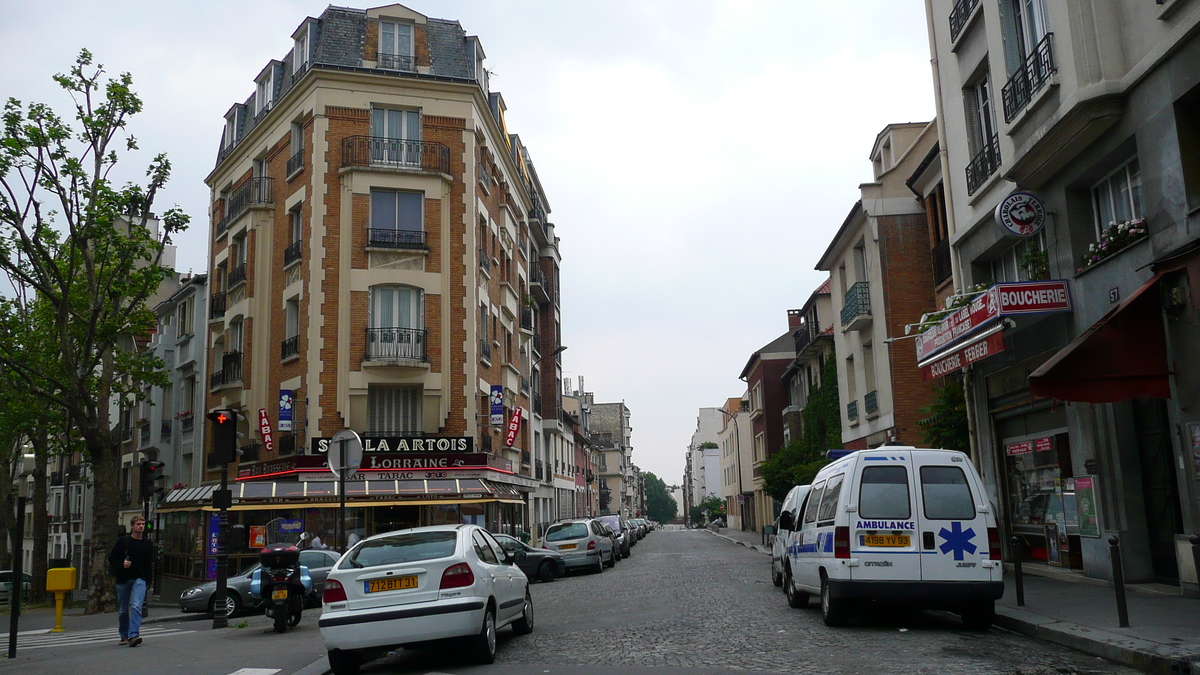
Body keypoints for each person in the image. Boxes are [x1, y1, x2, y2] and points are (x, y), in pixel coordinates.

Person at [107, 515, 153, 647]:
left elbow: (148, 563)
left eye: (143, 524)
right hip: (124, 578)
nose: (141, 526)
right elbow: (112, 558)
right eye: (138, 524)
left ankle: (134, 635)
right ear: (132, 526)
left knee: (136, 605)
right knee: (123, 609)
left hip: (140, 578)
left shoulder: (147, 544)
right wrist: (122, 564)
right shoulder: (123, 542)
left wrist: (148, 580)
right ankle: (124, 635)